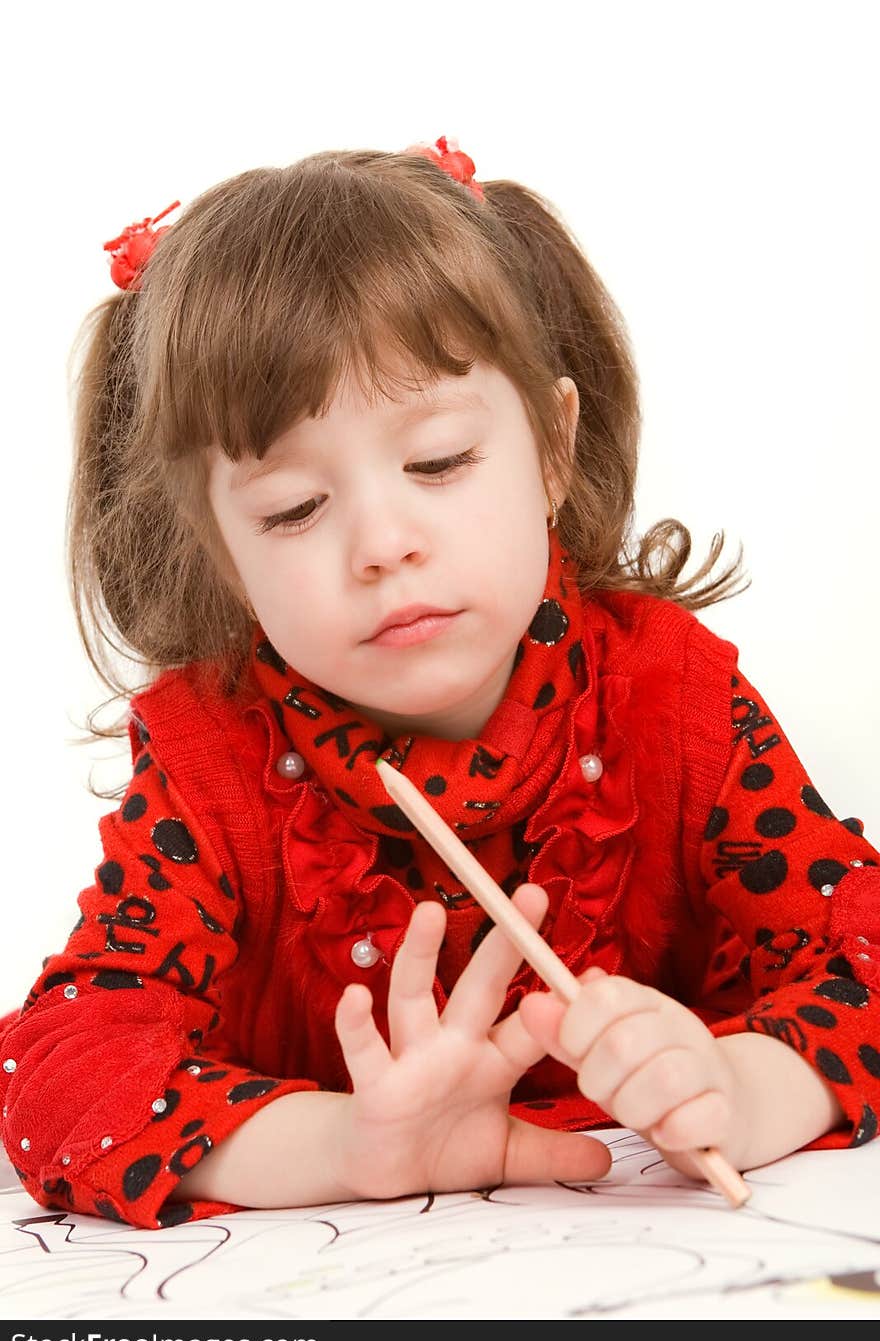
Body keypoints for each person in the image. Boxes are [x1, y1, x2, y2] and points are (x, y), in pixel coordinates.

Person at [1, 137, 877, 1232]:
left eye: (437, 463)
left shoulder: (671, 696)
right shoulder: (210, 766)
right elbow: (62, 1072)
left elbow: (863, 949)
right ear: (224, 554)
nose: (382, 542)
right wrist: (351, 1145)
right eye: (291, 510)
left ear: (552, 448)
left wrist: (743, 1088)